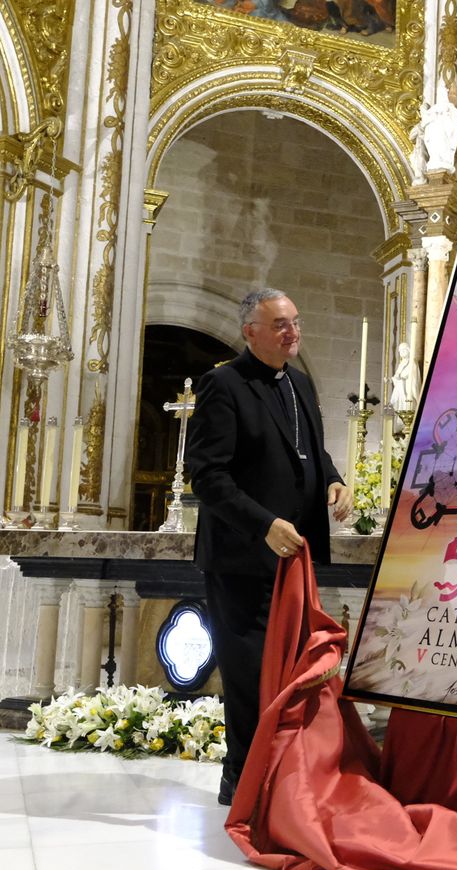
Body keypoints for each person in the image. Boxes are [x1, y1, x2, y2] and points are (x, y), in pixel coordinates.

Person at [185, 288, 352, 806]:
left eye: (295, 322)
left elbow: (310, 450)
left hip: (292, 559)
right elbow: (206, 476)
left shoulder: (299, 383)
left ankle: (281, 771)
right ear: (250, 330)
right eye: (279, 323)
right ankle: (241, 777)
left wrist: (334, 479)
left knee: (288, 672)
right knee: (249, 673)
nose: (291, 331)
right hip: (242, 558)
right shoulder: (223, 384)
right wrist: (263, 525)